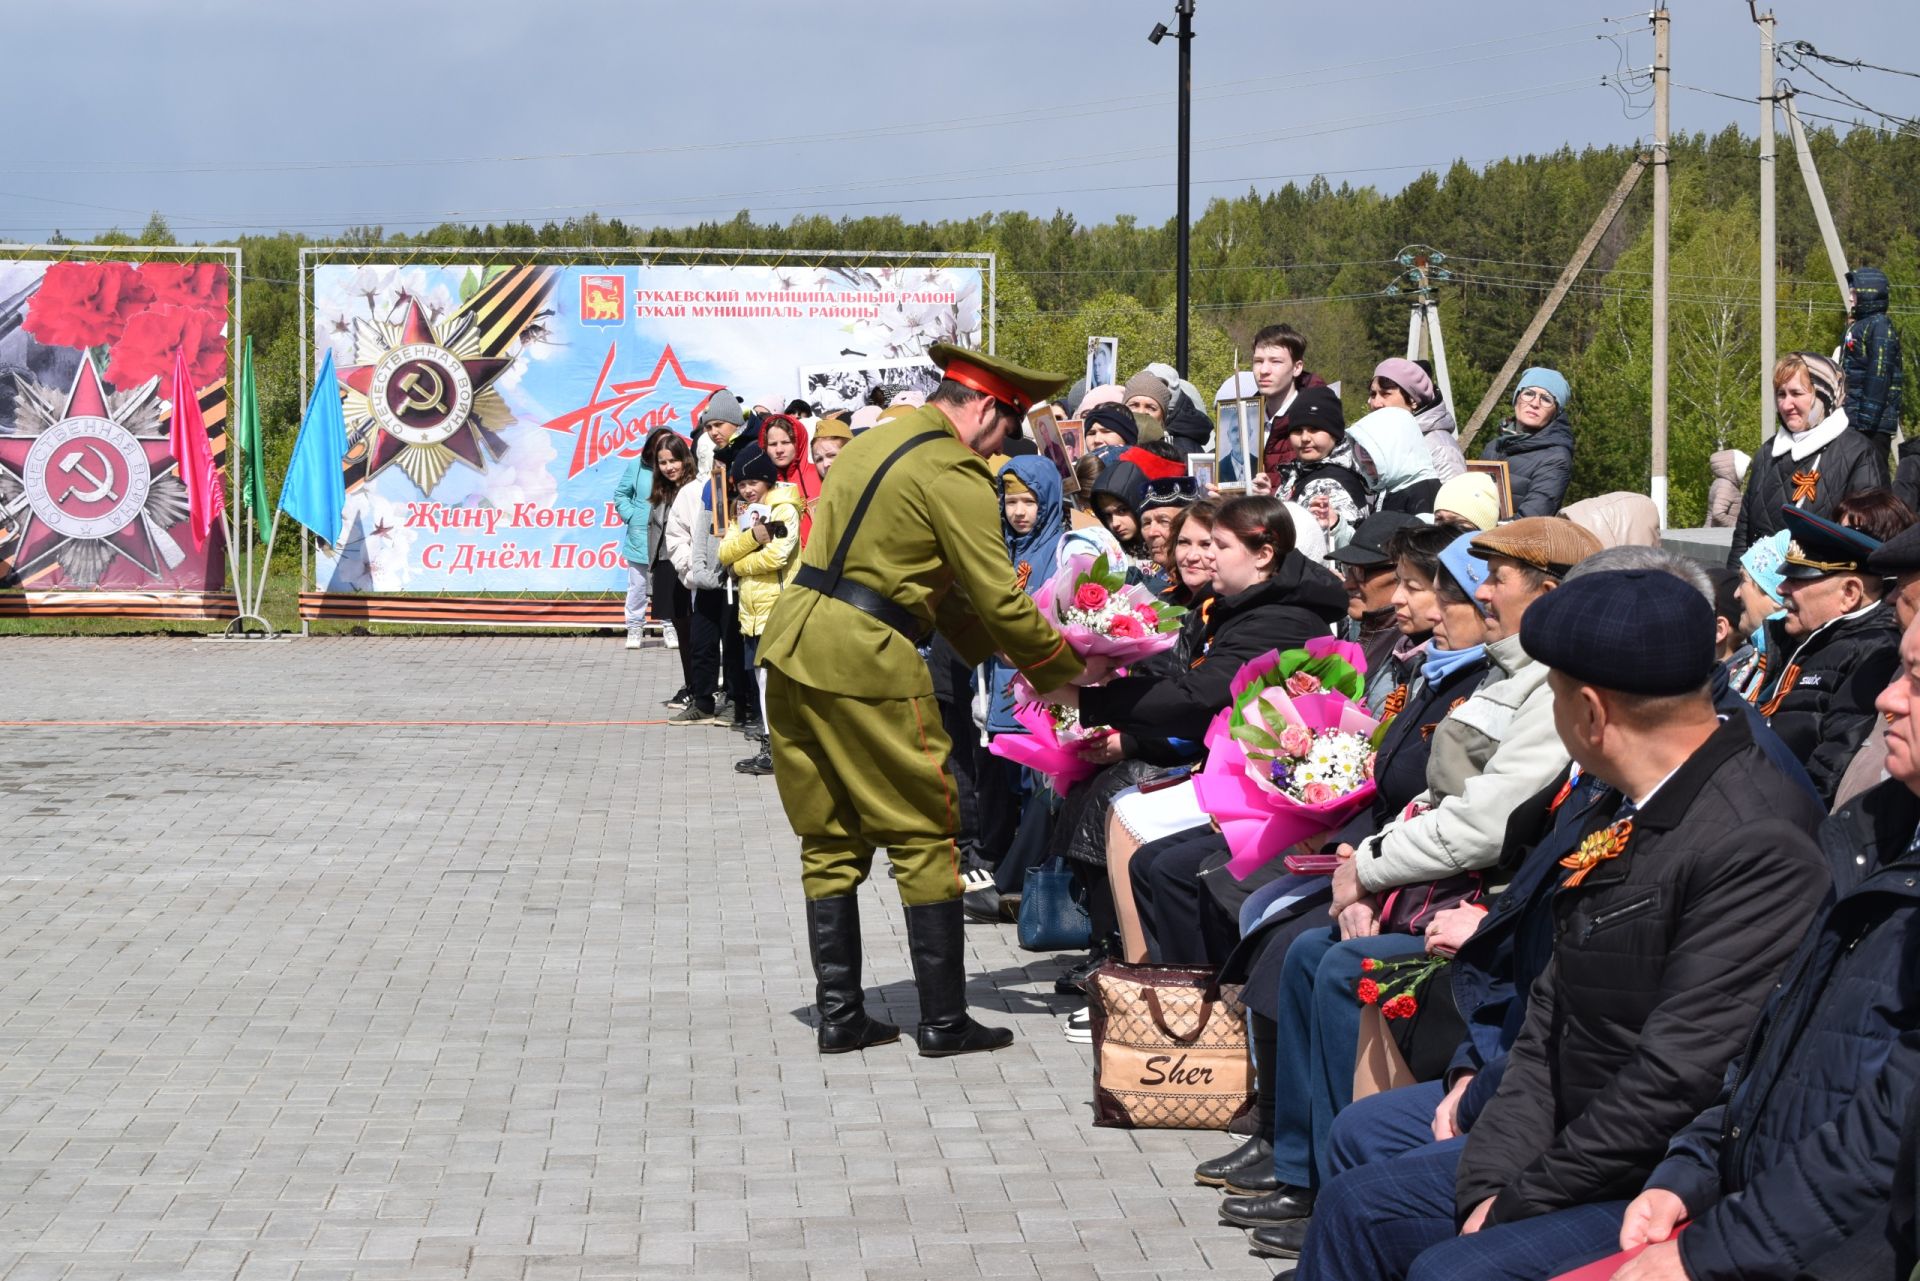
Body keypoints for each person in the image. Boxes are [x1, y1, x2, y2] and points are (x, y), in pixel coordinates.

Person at [1293, 569, 1830, 1281]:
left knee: (1453, 1267)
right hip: (1571, 1134)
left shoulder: (1754, 839)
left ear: (1589, 711)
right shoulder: (1631, 799)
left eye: (1551, 695)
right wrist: (1490, 1179)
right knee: (1360, 1204)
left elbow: (1673, 1081)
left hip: (1657, 1173)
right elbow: (1551, 1017)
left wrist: (1522, 1198)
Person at [1217, 520, 1599, 1242]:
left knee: (1342, 968)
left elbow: (1488, 824)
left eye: (1495, 580)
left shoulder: (1548, 687)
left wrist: (1366, 866)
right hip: (1431, 878)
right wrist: (1365, 868)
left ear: (1547, 594)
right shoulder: (1504, 668)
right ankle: (1299, 1170)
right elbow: (1432, 798)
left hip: (1480, 898)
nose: (1478, 592)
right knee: (1303, 950)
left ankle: (1333, 1191)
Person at [756, 344, 1090, 1059]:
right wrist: (1065, 670)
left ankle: (840, 1014)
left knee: (830, 833)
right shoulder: (955, 471)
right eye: (1005, 431)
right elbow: (995, 594)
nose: (1003, 450)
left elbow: (940, 593)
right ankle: (943, 1019)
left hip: (793, 642)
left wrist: (1009, 661)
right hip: (866, 656)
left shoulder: (872, 444)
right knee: (925, 828)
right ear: (985, 409)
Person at [1602, 613, 1920, 1281]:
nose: (1889, 698)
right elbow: (1772, 1040)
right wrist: (1688, 1170)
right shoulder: (1871, 831)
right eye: (1899, 670)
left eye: (1918, 681)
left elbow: (1887, 1136)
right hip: (1746, 1216)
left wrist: (1701, 1255)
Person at [1753, 506, 1902, 805]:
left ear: (1849, 593)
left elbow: (1827, 775)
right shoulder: (1806, 637)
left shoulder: (1875, 655)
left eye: (1798, 579)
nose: (1781, 588)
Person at [1728, 352, 1884, 564]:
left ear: (1824, 395)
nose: (1785, 405)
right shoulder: (1768, 453)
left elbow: (1866, 540)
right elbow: (1743, 534)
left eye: (1796, 393)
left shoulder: (1858, 453)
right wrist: (1736, 586)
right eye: (1781, 394)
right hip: (1760, 593)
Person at [718, 445, 801, 778]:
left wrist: (740, 568)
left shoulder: (785, 509)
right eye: (741, 483)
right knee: (761, 680)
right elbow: (724, 551)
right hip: (751, 610)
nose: (747, 489)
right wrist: (753, 536)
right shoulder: (745, 511)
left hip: (779, 607)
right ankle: (771, 746)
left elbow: (778, 557)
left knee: (774, 681)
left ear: (768, 480)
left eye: (754, 482)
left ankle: (782, 748)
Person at [1328, 511, 1427, 715]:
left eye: (1360, 572)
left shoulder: (1414, 649)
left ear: (1401, 571)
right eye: (1347, 570)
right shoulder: (1368, 627)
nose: (1348, 583)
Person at [1478, 368, 1575, 518]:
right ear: (1516, 398)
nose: (1535, 403)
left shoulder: (1556, 458)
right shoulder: (1494, 446)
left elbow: (1529, 521)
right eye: (1529, 393)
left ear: (1555, 412)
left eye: (1546, 399)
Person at [1275, 386, 1367, 538]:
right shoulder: (1301, 471)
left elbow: (1334, 551)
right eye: (1298, 430)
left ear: (1334, 432)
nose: (1304, 438)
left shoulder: (1331, 485)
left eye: (1314, 429)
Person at [648, 433, 698, 704]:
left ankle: (702, 686)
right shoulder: (661, 491)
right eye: (663, 462)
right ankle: (691, 684)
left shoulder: (694, 487)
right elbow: (654, 536)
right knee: (681, 629)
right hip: (667, 566)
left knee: (696, 629)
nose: (669, 467)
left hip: (688, 564)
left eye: (673, 460)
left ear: (685, 459)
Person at [1371, 357, 1466, 482]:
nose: (1376, 403)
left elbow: (1453, 499)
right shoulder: (1382, 441)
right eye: (1373, 394)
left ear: (1412, 399)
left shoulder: (1441, 449)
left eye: (1385, 394)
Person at [1254, 323, 1330, 478]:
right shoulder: (1243, 420)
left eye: (1275, 361)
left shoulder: (1319, 424)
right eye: (1258, 361)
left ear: (1297, 368)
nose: (1264, 370)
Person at [1843, 265, 1903, 448]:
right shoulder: (1862, 324)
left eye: (1854, 293)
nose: (1850, 298)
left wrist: (1866, 422)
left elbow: (1879, 374)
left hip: (1870, 426)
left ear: (1869, 295)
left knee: (1871, 474)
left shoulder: (1880, 326)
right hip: (1856, 418)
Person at [613, 434, 655, 650]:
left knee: (669, 584)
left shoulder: (679, 465)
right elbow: (621, 494)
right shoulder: (636, 465)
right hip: (640, 533)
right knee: (638, 585)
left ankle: (670, 625)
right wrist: (631, 514)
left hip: (669, 534)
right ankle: (634, 626)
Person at [758, 414, 822, 543]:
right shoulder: (761, 485)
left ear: (799, 442)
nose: (779, 450)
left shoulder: (820, 474)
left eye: (786, 442)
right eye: (772, 444)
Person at [1706, 448, 1751, 528]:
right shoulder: (1726, 486)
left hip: (1713, 534)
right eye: (1744, 468)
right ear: (1736, 468)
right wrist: (1736, 526)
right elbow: (1718, 514)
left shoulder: (1719, 482)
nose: (1746, 472)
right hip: (1719, 536)